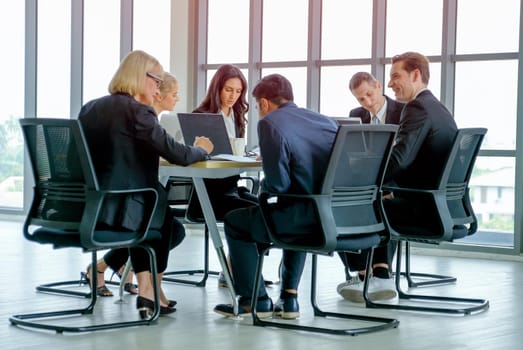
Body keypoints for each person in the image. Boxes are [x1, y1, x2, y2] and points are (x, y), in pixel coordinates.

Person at [78, 50, 214, 318]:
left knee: (165, 220)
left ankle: (146, 289)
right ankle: (147, 291)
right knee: (159, 207)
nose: (157, 87)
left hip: (91, 208)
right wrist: (200, 149)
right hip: (126, 210)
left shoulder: (90, 108)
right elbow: (178, 154)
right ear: (142, 78)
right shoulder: (138, 111)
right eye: (156, 80)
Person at [213, 74, 338, 319]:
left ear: (264, 103)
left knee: (236, 221)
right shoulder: (326, 122)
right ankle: (289, 298)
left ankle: (254, 300)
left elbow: (278, 185)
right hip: (326, 216)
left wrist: (265, 180)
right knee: (297, 204)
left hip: (295, 219)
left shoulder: (270, 123)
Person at [338, 52, 458, 303]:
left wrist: (369, 183)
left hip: (422, 209)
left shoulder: (417, 108)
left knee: (352, 206)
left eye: (395, 76)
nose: (390, 83)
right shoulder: (438, 108)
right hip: (440, 205)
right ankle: (378, 274)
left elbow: (399, 159)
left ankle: (369, 276)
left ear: (415, 75)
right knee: (377, 201)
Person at [84, 72, 182, 299]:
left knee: (168, 226)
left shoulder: (96, 110)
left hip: (101, 201)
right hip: (119, 201)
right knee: (159, 219)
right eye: (174, 94)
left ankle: (101, 267)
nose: (177, 98)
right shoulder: (140, 116)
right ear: (157, 94)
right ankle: (151, 290)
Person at [186, 64, 260, 287]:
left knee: (265, 209)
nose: (233, 96)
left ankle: (234, 270)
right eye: (228, 90)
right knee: (252, 214)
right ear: (217, 88)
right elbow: (196, 157)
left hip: (230, 187)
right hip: (209, 193)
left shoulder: (237, 116)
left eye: (238, 92)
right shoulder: (200, 116)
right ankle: (235, 273)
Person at [336, 72, 404, 301]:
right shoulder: (356, 116)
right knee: (341, 206)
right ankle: (364, 274)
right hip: (365, 181)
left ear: (378, 86)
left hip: (393, 182)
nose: (367, 102)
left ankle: (381, 272)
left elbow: (406, 156)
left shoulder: (403, 112)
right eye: (360, 99)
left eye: (369, 94)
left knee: (382, 203)